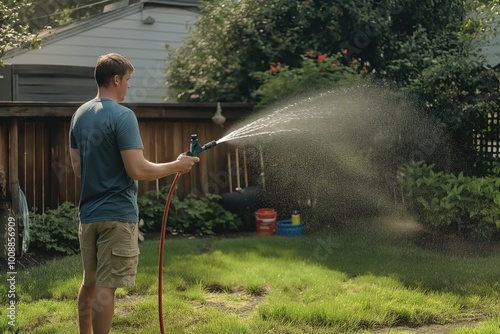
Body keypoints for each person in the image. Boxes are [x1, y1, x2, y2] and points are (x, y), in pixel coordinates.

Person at [69, 53, 200, 334]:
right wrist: (177, 165)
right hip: (116, 216)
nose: (129, 86)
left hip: (88, 216)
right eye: (128, 80)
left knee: (89, 283)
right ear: (116, 79)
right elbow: (137, 170)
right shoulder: (122, 115)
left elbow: (78, 169)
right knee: (106, 288)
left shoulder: (79, 115)